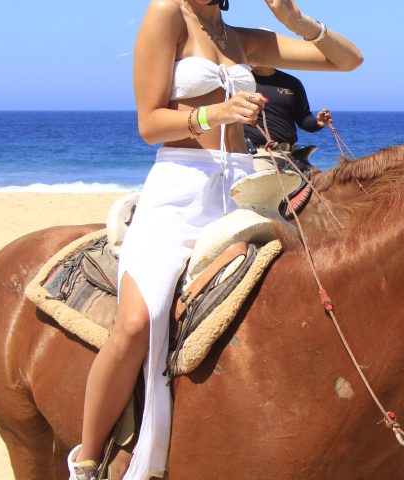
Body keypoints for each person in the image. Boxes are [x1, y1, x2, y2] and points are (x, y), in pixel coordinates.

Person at [67, 1, 362, 479]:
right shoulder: (166, 14)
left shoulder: (240, 37)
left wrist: (295, 19)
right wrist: (215, 114)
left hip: (240, 193)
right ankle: (86, 461)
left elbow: (348, 60)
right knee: (139, 322)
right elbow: (148, 125)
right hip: (178, 192)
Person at [243, 65, 331, 151]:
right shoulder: (240, 82)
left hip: (290, 153)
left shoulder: (292, 83)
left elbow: (303, 119)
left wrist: (318, 122)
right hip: (258, 152)